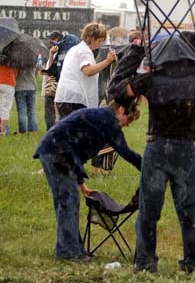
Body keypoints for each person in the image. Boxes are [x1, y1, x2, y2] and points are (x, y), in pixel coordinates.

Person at [122, 32, 195, 274]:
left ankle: (146, 262)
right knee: (189, 210)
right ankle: (192, 262)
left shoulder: (153, 78)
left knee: (149, 209)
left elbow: (120, 89)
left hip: (157, 145)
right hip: (185, 148)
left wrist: (136, 53)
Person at [33, 100, 142, 262]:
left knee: (70, 200)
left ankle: (73, 249)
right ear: (121, 110)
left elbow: (78, 151)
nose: (128, 125)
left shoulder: (100, 118)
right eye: (130, 119)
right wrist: (149, 169)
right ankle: (68, 253)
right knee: (68, 201)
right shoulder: (108, 120)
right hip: (56, 151)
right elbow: (125, 152)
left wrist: (81, 184)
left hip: (57, 150)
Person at [54, 23, 116, 119]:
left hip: (65, 97)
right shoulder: (84, 51)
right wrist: (107, 61)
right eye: (99, 41)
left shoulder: (75, 49)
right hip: (74, 100)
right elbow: (88, 70)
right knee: (76, 130)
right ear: (92, 39)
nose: (100, 44)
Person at [41, 31, 63, 130]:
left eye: (52, 39)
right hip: (54, 85)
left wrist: (51, 55)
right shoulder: (54, 51)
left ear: (58, 39)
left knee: (51, 109)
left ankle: (52, 129)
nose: (49, 41)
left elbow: (52, 69)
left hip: (54, 85)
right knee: (53, 110)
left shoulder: (60, 52)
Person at [15, 61, 39, 134]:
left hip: (19, 88)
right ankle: (33, 130)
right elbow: (35, 75)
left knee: (21, 111)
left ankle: (23, 131)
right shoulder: (31, 61)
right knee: (31, 110)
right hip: (31, 87)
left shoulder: (16, 61)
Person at [0, 64, 18, 135]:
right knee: (5, 109)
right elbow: (16, 73)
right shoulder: (13, 59)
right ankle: (2, 131)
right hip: (9, 83)